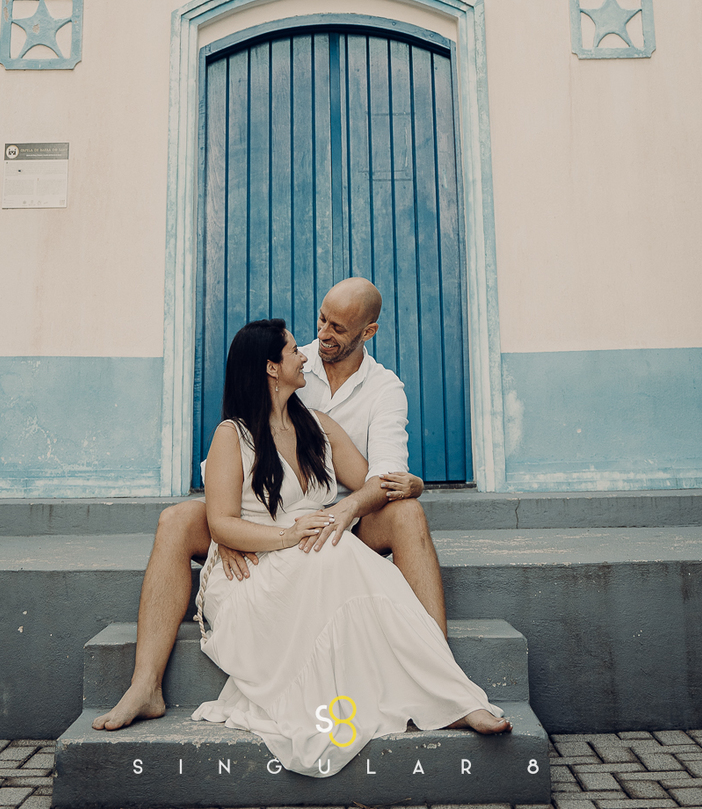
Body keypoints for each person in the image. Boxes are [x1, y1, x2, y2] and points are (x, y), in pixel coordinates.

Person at [92, 276, 447, 730]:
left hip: (342, 516)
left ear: (367, 333)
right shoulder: (292, 366)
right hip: (269, 508)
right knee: (176, 521)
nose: (321, 336)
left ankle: (436, 668)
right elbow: (226, 462)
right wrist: (237, 531)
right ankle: (145, 683)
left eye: (337, 327)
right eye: (321, 319)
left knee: (406, 511)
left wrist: (360, 504)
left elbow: (382, 478)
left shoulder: (383, 390)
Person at [190, 318, 510, 775]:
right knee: (334, 553)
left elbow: (372, 485)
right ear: (270, 369)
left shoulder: (318, 426)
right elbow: (220, 523)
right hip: (254, 572)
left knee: (339, 554)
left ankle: (448, 694)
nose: (304, 354)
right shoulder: (232, 435)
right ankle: (438, 692)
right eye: (291, 351)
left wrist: (411, 485)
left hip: (316, 556)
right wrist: (288, 536)